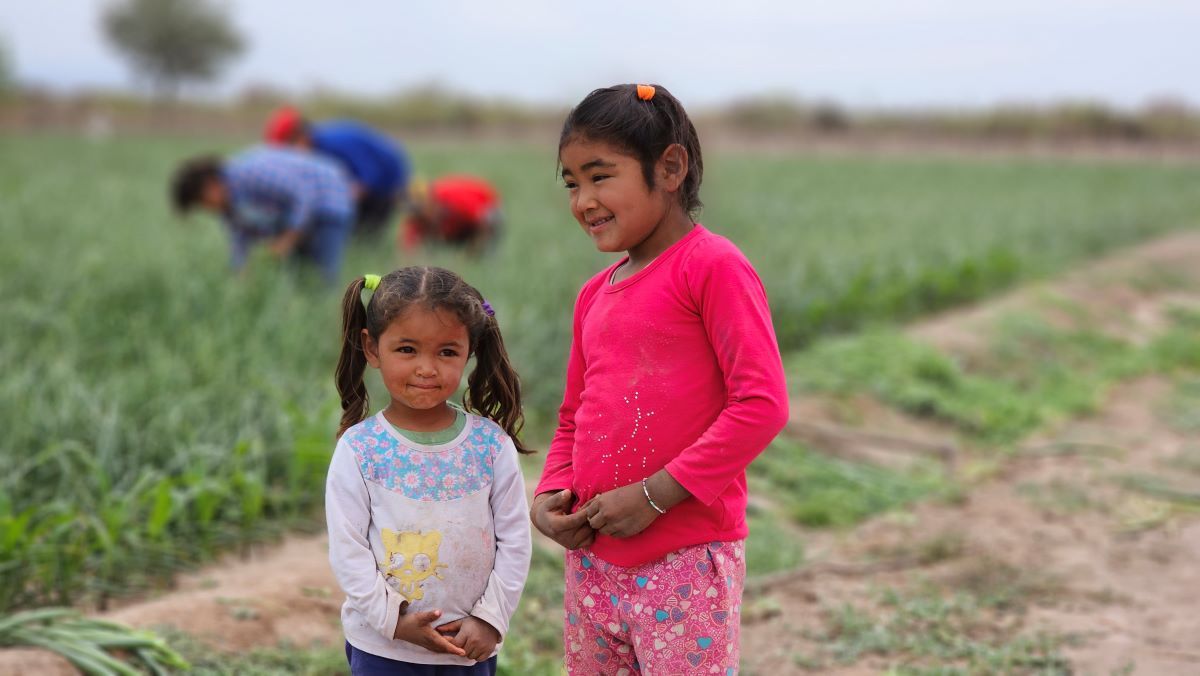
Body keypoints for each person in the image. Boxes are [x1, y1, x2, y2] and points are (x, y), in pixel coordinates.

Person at [530, 84, 789, 674]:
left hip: (686, 562)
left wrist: (654, 495)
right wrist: (550, 492)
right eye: (572, 183)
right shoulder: (594, 294)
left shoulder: (712, 267)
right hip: (594, 564)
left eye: (600, 176)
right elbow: (574, 414)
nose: (583, 200)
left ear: (669, 168)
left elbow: (762, 404)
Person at [328, 267, 532, 675]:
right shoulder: (360, 449)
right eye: (407, 349)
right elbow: (348, 550)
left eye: (446, 352)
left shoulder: (491, 446)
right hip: (384, 649)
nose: (427, 368)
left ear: (469, 351)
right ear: (371, 348)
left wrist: (490, 618)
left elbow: (515, 541)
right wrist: (393, 621)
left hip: (469, 647)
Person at [170, 147, 353, 284]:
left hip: (328, 198)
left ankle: (339, 321)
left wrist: (288, 239)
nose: (207, 209)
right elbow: (239, 241)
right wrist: (241, 275)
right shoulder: (228, 208)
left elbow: (304, 193)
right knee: (298, 279)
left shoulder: (249, 173)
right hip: (299, 215)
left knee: (324, 277)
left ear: (211, 185)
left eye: (202, 201)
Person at [265, 107, 412, 237]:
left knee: (361, 234)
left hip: (386, 183)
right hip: (365, 182)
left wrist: (336, 204)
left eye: (289, 149)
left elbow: (369, 177)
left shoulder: (337, 142)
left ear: (301, 136)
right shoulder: (315, 151)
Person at [400, 175, 502, 256]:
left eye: (420, 208)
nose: (417, 214)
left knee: (489, 220)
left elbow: (483, 222)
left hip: (483, 213)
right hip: (453, 225)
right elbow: (408, 249)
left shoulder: (453, 199)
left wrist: (471, 254)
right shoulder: (417, 217)